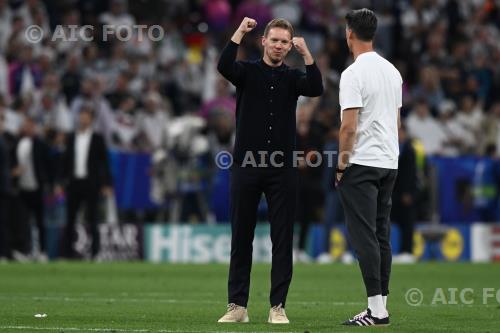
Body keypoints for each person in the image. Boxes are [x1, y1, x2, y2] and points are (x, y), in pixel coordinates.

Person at [216, 17, 323, 324]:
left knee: (282, 239)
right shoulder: (247, 71)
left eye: (284, 42)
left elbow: (316, 87)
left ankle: (278, 306)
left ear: (290, 46)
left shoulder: (292, 77)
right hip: (246, 166)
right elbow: (224, 66)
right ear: (263, 41)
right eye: (274, 40)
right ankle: (237, 306)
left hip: (282, 169)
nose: (278, 46)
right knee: (241, 238)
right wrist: (238, 32)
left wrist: (307, 55)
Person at [335, 9, 402, 326]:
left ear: (349, 33)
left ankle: (376, 310)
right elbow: (396, 123)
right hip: (389, 162)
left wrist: (340, 165)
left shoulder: (352, 74)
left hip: (361, 162)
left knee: (364, 238)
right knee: (381, 235)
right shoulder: (393, 72)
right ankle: (380, 306)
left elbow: (348, 127)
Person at [57, 105, 112, 259]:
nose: (83, 118)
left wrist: (107, 184)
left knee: (93, 219)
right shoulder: (71, 137)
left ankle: (95, 253)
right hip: (74, 183)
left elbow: (104, 163)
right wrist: (60, 182)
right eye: (81, 115)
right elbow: (65, 161)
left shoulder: (97, 139)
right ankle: (67, 254)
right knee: (70, 219)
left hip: (91, 184)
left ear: (91, 119)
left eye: (86, 115)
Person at [12, 116, 52, 261]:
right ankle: (25, 250)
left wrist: (50, 183)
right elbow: (11, 162)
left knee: (40, 221)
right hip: (22, 188)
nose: (28, 128)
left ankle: (42, 251)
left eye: (31, 125)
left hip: (37, 187)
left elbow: (49, 165)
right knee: (23, 222)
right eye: (26, 125)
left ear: (34, 127)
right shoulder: (16, 143)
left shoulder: (41, 144)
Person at [391, 125, 418, 264]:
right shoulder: (392, 146)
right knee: (387, 223)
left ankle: (407, 251)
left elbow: (411, 174)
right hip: (393, 192)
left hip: (405, 192)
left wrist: (408, 192)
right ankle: (395, 251)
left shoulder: (409, 149)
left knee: (407, 223)